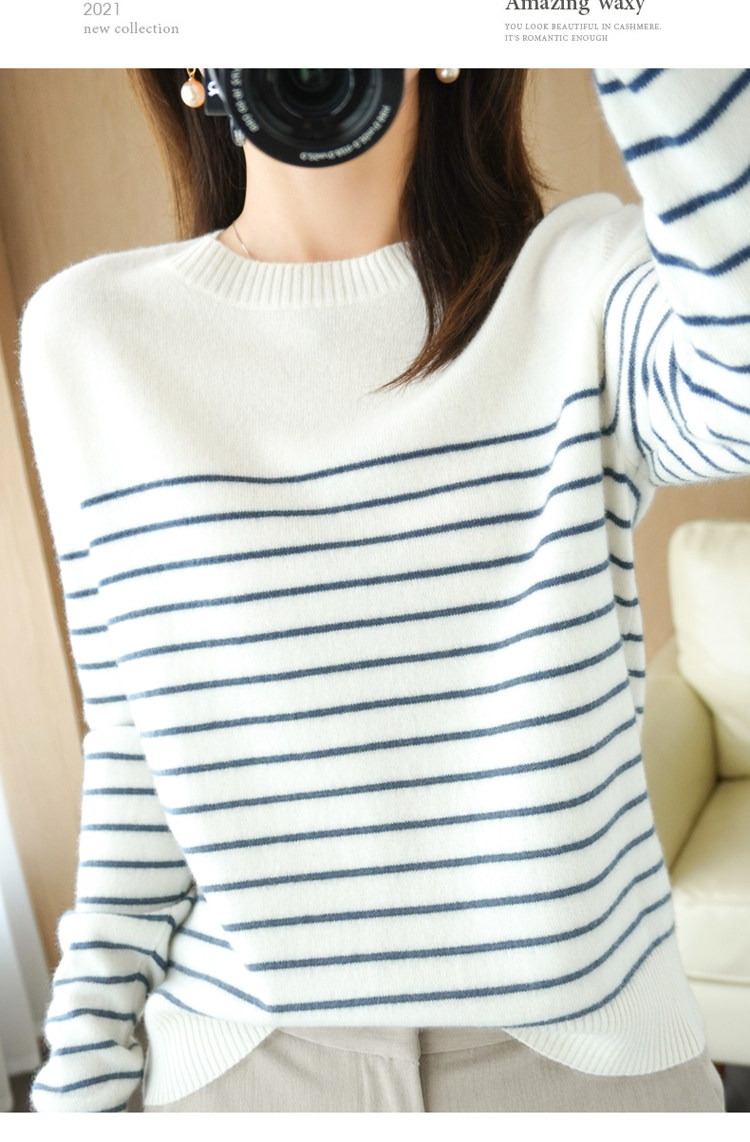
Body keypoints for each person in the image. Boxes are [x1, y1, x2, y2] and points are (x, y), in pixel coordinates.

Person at [20, 67, 747, 1113]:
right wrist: (81, 1082)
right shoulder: (88, 337)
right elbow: (136, 741)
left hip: (588, 1063)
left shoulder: (585, 281)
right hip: (244, 1068)